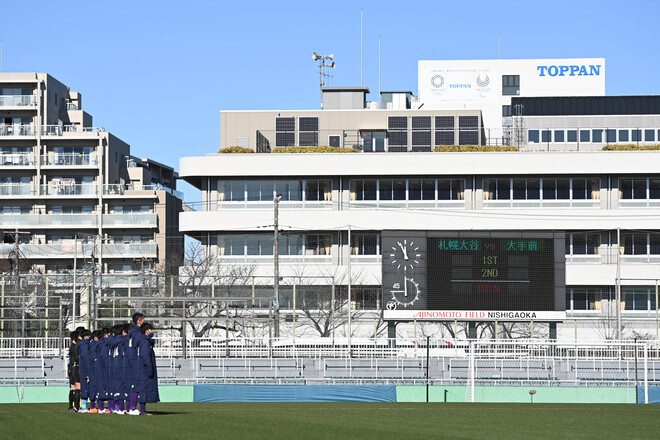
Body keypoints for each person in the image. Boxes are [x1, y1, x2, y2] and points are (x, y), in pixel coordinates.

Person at [136, 322, 159, 415]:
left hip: (144, 369)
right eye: (151, 330)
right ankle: (142, 410)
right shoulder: (144, 342)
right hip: (144, 370)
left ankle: (143, 409)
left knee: (144, 389)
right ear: (146, 331)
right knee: (144, 389)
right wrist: (149, 369)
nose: (152, 331)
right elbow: (145, 357)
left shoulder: (146, 342)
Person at [127, 312, 145, 414]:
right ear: (139, 321)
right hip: (136, 361)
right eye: (143, 320)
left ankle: (131, 407)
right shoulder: (138, 333)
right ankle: (133, 408)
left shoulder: (132, 333)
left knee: (133, 385)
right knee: (136, 385)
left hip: (131, 360)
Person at [77, 330, 92, 413]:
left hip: (83, 369)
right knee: (86, 387)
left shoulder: (82, 345)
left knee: (84, 387)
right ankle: (83, 406)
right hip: (85, 370)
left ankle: (83, 406)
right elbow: (86, 358)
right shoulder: (84, 345)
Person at [67, 330, 80, 412]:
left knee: (72, 388)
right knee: (76, 388)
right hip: (75, 368)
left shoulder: (72, 346)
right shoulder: (74, 347)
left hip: (72, 368)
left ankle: (71, 406)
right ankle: (76, 406)